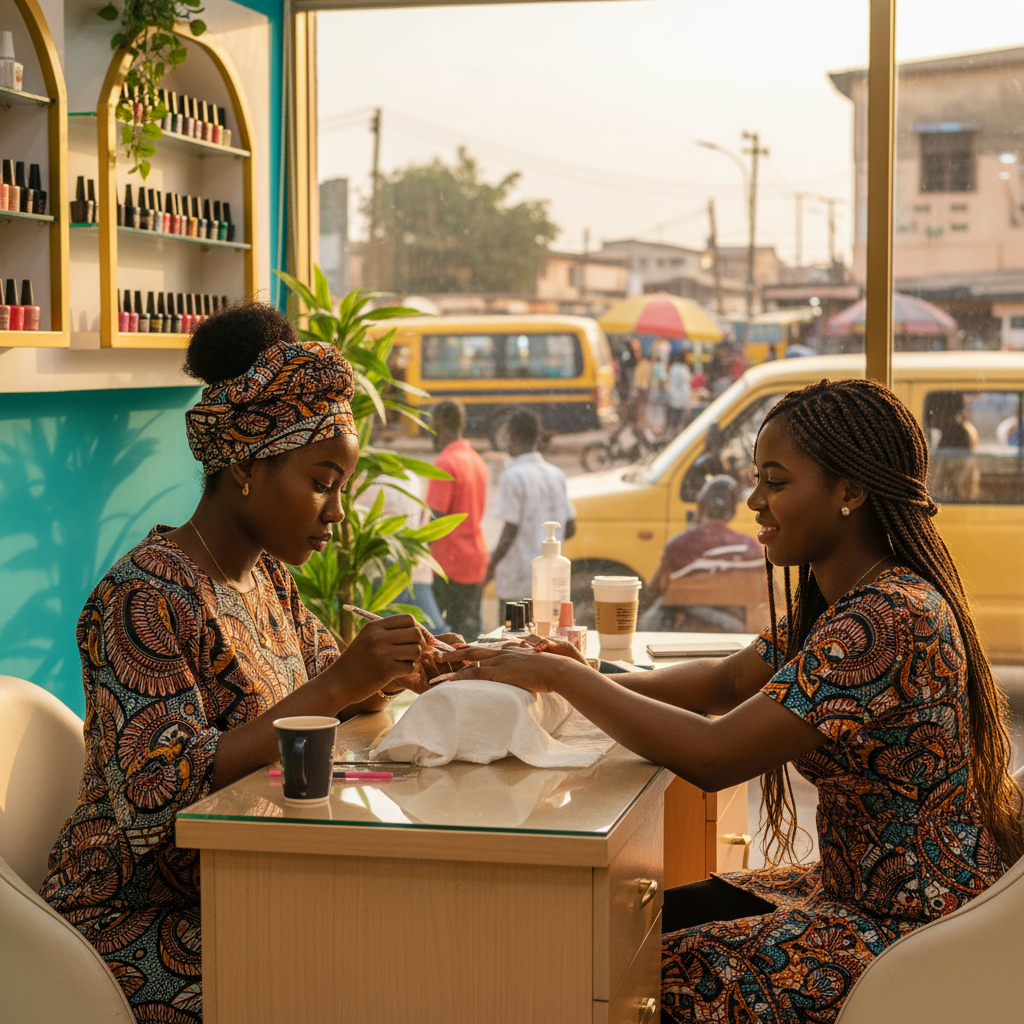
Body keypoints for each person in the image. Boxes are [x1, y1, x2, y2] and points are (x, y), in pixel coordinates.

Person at [442, 377, 1023, 1023]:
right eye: (756, 480)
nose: (754, 501)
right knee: (617, 932)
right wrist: (569, 673)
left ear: (850, 492)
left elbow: (715, 755)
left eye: (775, 482)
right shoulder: (850, 603)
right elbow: (722, 683)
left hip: (912, 926)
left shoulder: (885, 619)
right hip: (855, 889)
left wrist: (569, 681)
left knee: (629, 971)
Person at [39, 303, 458, 1021]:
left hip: (244, 884)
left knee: (405, 945)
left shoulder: (266, 580)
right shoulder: (143, 597)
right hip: (135, 923)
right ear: (244, 465)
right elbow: (158, 796)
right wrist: (341, 681)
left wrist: (391, 668)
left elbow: (336, 688)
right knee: (360, 982)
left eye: (342, 488)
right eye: (322, 482)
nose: (337, 513)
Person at [639, 475, 762, 632]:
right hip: (736, 634)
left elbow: (653, 591)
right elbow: (761, 600)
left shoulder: (679, 544)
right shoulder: (752, 548)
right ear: (732, 512)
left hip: (687, 632)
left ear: (702, 507)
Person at [487, 408, 576, 608]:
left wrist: (490, 565)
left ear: (511, 437)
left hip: (518, 578)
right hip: (550, 579)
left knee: (515, 628)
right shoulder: (556, 475)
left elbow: (510, 530)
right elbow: (570, 528)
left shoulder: (513, 476)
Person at [426, 400, 490, 639]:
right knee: (469, 632)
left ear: (439, 424)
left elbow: (436, 521)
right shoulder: (475, 459)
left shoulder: (445, 464)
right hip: (475, 559)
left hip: (449, 563)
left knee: (444, 637)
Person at [358, 471, 449, 634]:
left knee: (387, 629)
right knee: (433, 631)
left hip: (390, 567)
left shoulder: (370, 483)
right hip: (410, 563)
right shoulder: (411, 478)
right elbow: (423, 519)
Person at [664, 350, 692, 437]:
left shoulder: (676, 368)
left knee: (677, 421)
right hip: (679, 397)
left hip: (677, 397)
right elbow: (681, 384)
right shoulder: (680, 368)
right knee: (679, 420)